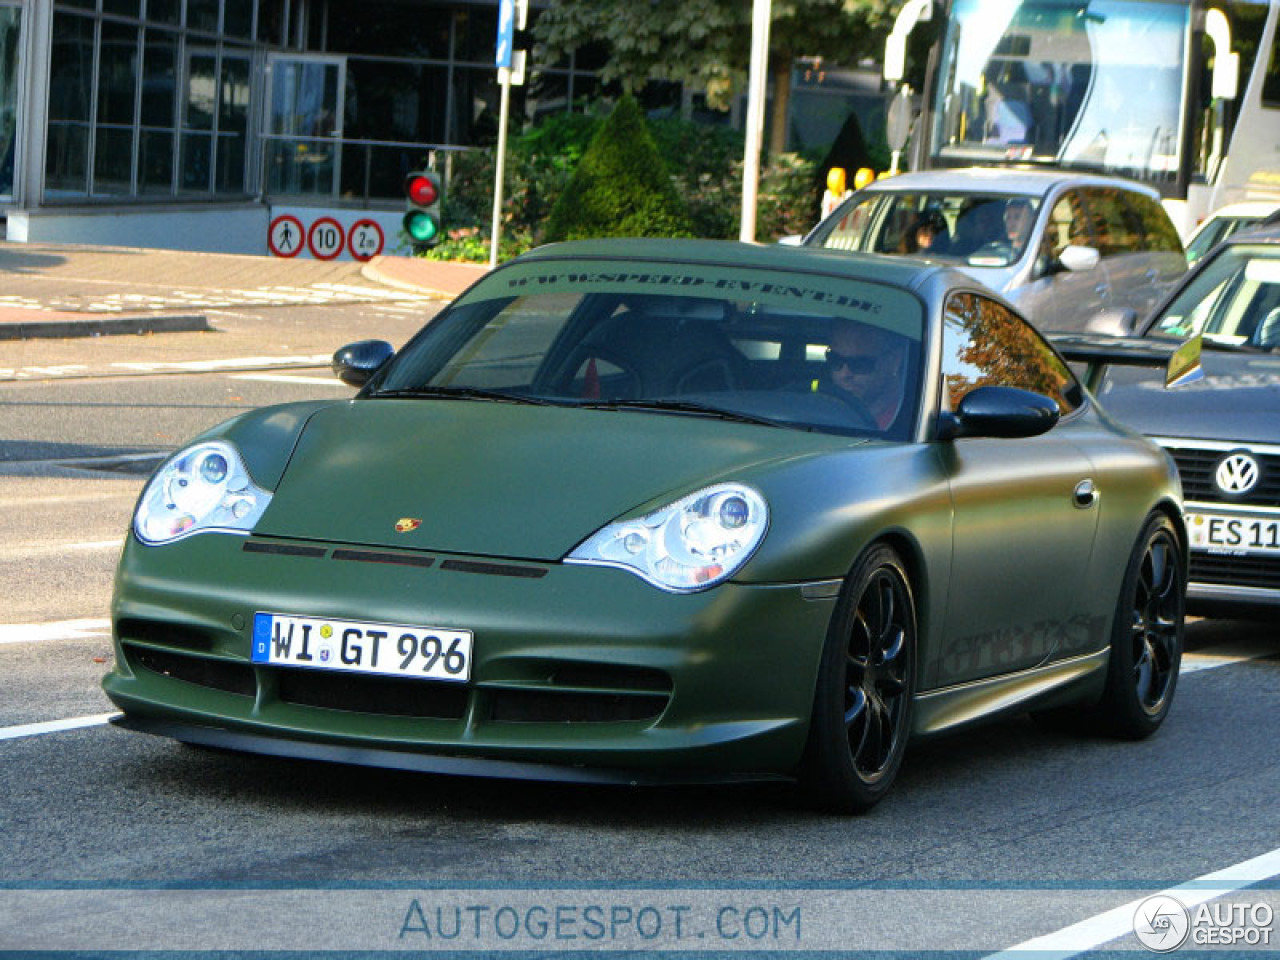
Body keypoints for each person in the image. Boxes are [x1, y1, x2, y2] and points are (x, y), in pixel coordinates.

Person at [820, 320, 909, 431]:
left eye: (860, 364)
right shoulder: (817, 412)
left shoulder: (913, 420)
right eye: (835, 360)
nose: (844, 374)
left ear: (894, 361)